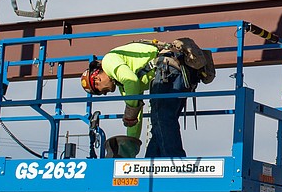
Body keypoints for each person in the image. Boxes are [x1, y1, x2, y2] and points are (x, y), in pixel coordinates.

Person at [81, 41, 213, 158]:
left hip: (167, 70)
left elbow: (132, 82)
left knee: (161, 119)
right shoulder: (123, 82)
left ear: (97, 79)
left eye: (99, 91)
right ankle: (151, 163)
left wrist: (131, 110)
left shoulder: (109, 61)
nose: (104, 93)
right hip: (174, 73)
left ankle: (175, 162)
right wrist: (130, 146)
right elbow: (135, 114)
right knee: (159, 124)